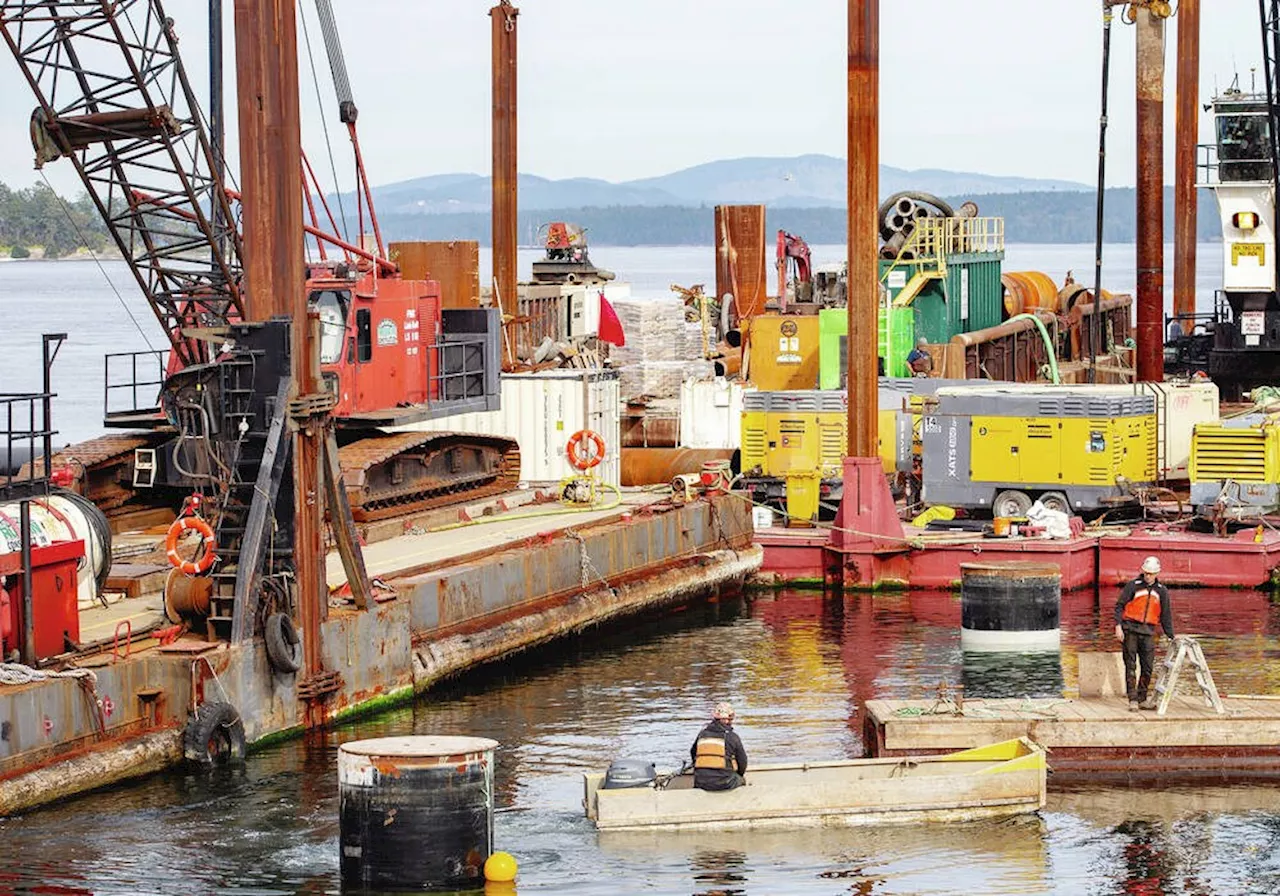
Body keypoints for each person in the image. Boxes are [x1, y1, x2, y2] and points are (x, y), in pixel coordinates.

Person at [1114, 556, 1174, 711]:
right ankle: (1132, 699)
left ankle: (1142, 698)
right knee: (1131, 665)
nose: (1148, 576)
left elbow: (1166, 615)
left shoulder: (1162, 591)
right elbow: (1119, 606)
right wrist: (1118, 626)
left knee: (1147, 667)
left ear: (1157, 573)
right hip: (1130, 629)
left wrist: (1171, 635)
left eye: (1151, 573)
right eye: (1146, 573)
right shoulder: (1133, 586)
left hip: (1148, 632)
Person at [690, 702, 747, 791]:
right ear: (728, 719)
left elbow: (693, 753)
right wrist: (739, 774)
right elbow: (743, 762)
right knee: (741, 780)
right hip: (725, 783)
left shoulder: (702, 734)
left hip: (700, 783)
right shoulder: (733, 737)